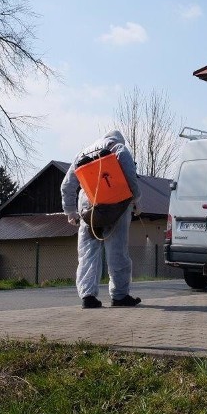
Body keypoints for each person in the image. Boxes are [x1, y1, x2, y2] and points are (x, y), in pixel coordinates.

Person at [61, 130, 142, 308]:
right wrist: (136, 199)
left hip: (88, 207)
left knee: (87, 253)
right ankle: (120, 296)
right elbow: (129, 173)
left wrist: (70, 211)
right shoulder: (118, 148)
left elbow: (67, 185)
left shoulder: (82, 153)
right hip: (116, 206)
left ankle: (88, 297)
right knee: (117, 252)